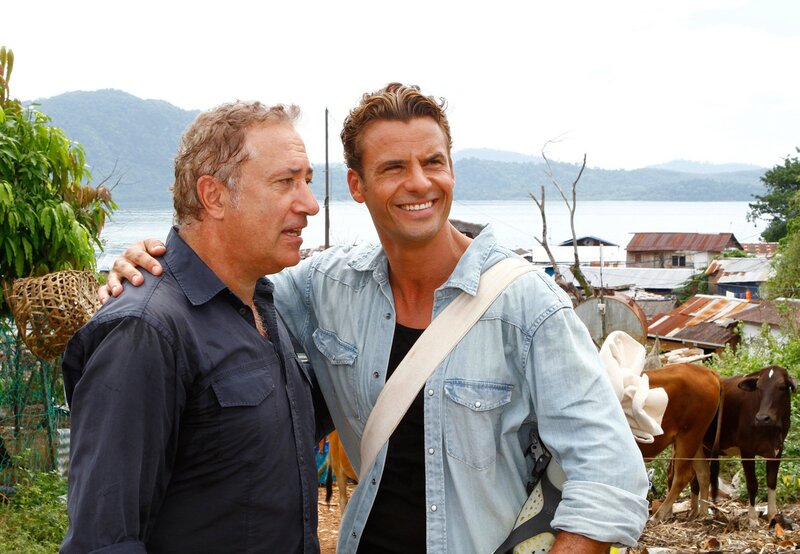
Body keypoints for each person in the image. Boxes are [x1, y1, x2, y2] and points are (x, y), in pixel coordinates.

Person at [102, 83, 650, 553]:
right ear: (357, 186)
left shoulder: (527, 305)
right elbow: (222, 285)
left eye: (433, 162)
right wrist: (152, 262)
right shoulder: (326, 287)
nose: (420, 183)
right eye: (394, 167)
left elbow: (610, 473)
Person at [62, 101, 330, 553]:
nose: (310, 204)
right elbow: (103, 540)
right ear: (214, 196)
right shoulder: (144, 330)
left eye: (307, 181)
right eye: (286, 182)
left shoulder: (266, 306)